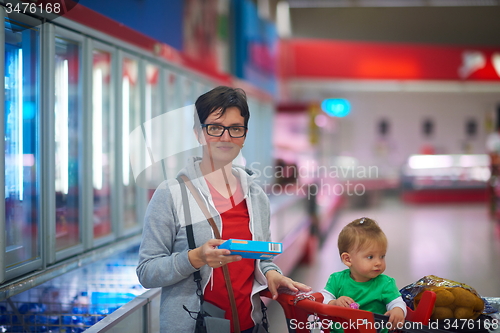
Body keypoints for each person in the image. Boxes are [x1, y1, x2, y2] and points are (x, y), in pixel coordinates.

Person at [136, 86, 311, 333]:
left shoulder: (256, 195)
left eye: (235, 129)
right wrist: (195, 258)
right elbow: (146, 272)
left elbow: (262, 258)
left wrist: (272, 274)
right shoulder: (171, 194)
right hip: (195, 326)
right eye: (215, 128)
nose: (226, 137)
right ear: (198, 133)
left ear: (244, 135)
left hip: (250, 325)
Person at [321, 217, 406, 331]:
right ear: (348, 259)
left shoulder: (385, 283)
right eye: (370, 257)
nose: (378, 263)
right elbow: (322, 300)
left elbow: (397, 302)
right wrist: (334, 302)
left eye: (382, 256)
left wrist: (398, 310)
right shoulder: (337, 280)